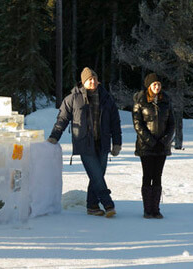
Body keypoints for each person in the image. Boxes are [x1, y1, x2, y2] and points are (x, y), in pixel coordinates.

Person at [48, 67, 122, 218]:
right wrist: (54, 136)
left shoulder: (106, 98)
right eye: (89, 79)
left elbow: (115, 122)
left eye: (94, 78)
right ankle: (108, 203)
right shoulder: (73, 98)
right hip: (84, 143)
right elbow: (62, 119)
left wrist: (117, 143)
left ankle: (92, 206)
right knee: (96, 175)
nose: (93, 81)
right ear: (83, 82)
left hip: (103, 143)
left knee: (97, 175)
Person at [132, 73, 175, 219]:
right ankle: (147, 209)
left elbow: (171, 124)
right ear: (148, 86)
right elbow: (138, 124)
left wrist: (163, 141)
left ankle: (155, 209)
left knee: (158, 176)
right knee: (147, 175)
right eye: (154, 84)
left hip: (162, 147)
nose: (157, 87)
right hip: (146, 146)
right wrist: (151, 142)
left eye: (159, 84)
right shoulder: (140, 101)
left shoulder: (166, 101)